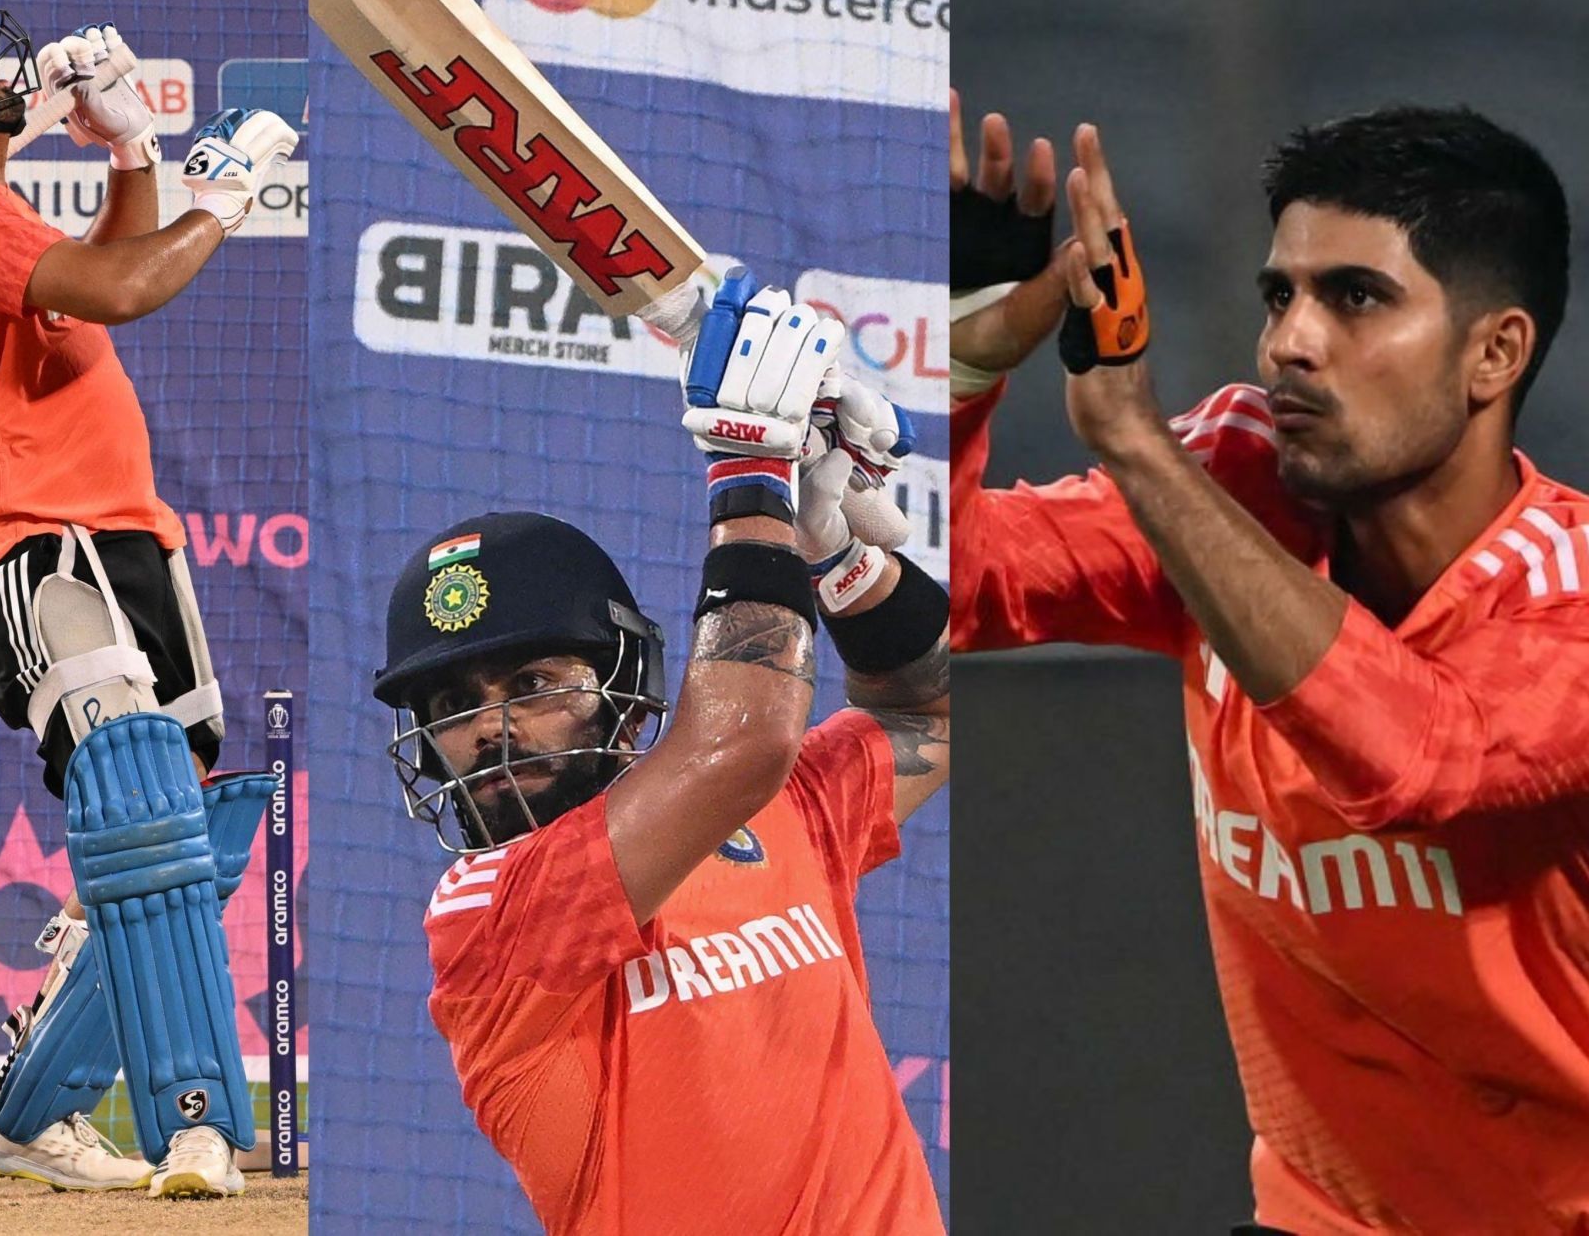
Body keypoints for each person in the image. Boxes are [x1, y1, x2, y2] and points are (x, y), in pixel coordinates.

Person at [948, 90, 1589, 1233]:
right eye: (1280, 294)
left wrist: (1141, 449)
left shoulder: (1569, 601)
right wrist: (957, 372)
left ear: (1495, 352)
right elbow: (947, 588)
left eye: (1356, 298)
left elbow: (1420, 765)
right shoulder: (1237, 483)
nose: (1289, 340)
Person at [0, 0, 297, 1198]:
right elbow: (130, 289)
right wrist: (222, 196)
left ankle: (26, 1113)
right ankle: (198, 1120)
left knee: (188, 830)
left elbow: (83, 292)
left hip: (128, 530)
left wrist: (131, 157)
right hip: (29, 537)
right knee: (139, 792)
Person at [371, 272, 950, 1233]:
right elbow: (745, 736)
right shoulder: (485, 914)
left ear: (624, 692)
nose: (491, 729)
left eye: (534, 685)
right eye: (452, 705)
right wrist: (748, 469)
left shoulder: (783, 807)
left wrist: (836, 555)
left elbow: (930, 707)